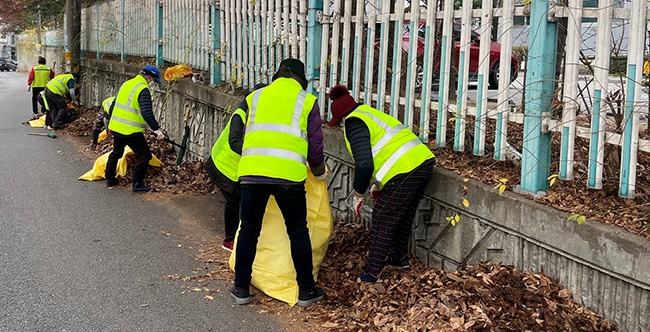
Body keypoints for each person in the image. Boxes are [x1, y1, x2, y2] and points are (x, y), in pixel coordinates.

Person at [231, 59, 326, 307]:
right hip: (288, 178)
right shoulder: (307, 101)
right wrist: (319, 173)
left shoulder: (255, 97)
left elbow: (240, 133)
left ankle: (241, 288)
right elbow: (315, 148)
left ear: (278, 74)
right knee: (297, 231)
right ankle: (306, 290)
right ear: (300, 77)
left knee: (249, 230)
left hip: (252, 174)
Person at [326, 84, 435, 283]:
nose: (342, 126)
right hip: (422, 162)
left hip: (405, 169)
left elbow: (365, 164)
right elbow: (385, 150)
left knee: (383, 216)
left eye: (340, 123)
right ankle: (399, 258)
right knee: (404, 213)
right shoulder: (369, 113)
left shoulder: (354, 122)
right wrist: (378, 185)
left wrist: (358, 194)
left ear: (342, 117)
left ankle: (372, 272)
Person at [205, 84, 266, 252]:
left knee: (243, 199)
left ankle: (240, 235)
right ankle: (229, 240)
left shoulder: (256, 116)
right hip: (222, 166)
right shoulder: (240, 115)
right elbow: (234, 142)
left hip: (235, 169)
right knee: (234, 200)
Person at [105, 65, 165, 192]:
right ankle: (137, 184)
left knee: (116, 153)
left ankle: (109, 179)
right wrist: (157, 130)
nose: (152, 82)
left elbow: (114, 104)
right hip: (131, 130)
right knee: (145, 156)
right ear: (148, 77)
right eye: (153, 80)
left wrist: (111, 121)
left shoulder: (127, 84)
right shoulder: (143, 89)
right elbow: (147, 113)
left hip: (117, 127)